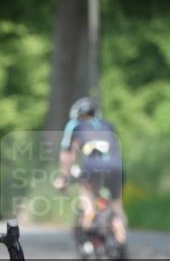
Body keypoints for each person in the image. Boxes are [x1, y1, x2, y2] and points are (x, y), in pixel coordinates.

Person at [54, 97, 127, 247]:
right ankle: (121, 241)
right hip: (116, 168)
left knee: (88, 203)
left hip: (92, 168)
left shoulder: (75, 125)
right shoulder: (108, 125)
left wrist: (63, 177)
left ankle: (89, 245)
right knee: (116, 206)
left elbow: (68, 154)